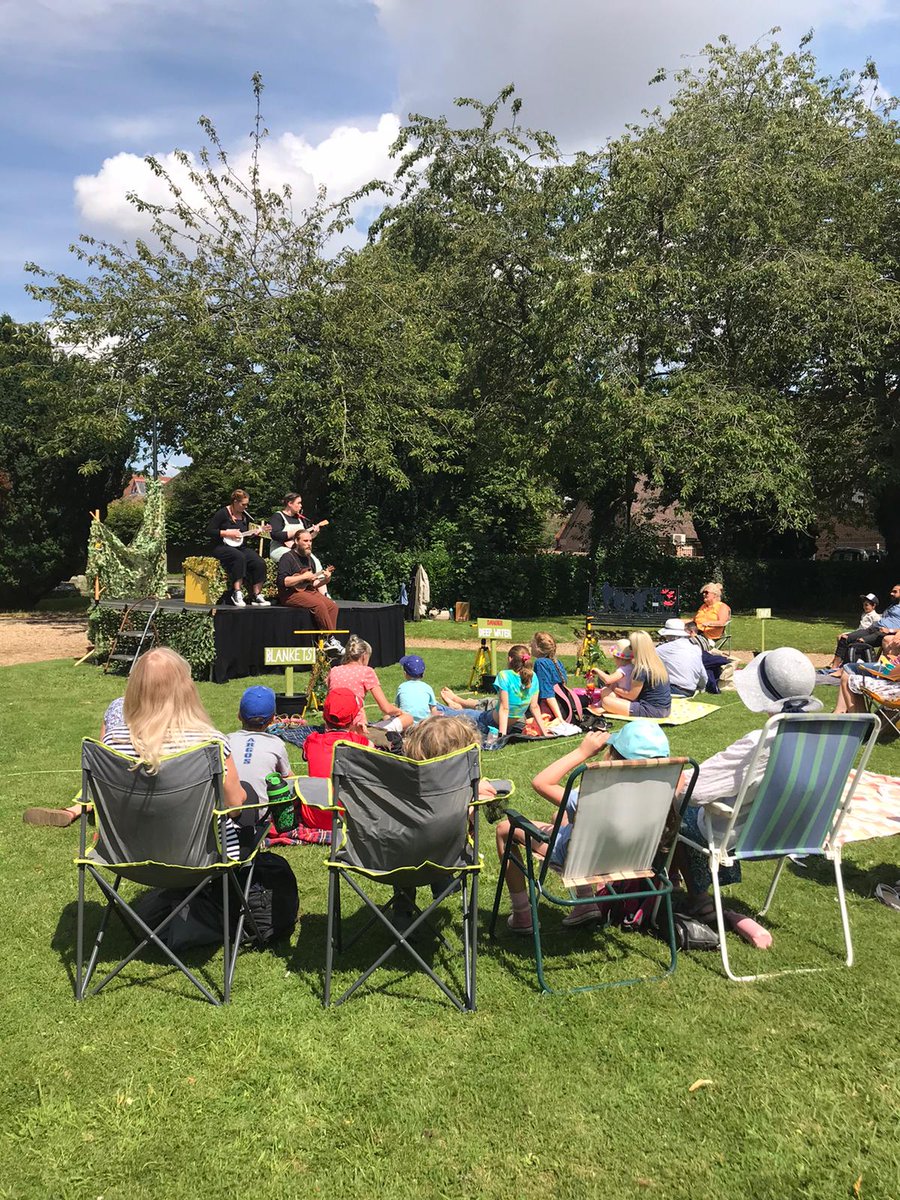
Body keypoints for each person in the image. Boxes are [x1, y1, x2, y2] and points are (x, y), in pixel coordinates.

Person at [673, 646, 823, 949]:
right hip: (795, 836)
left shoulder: (762, 742)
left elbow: (694, 791)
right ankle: (681, 889)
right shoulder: (824, 739)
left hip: (737, 836)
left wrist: (672, 776)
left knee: (670, 803)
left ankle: (692, 897)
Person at [496, 723, 671, 932]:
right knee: (559, 816)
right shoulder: (665, 792)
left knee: (505, 829)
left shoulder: (591, 798)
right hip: (634, 858)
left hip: (584, 860)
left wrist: (583, 752)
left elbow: (541, 782)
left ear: (614, 757)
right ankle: (585, 903)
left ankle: (522, 916)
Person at [437, 643, 547, 740]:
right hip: (508, 722)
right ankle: (458, 705)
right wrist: (544, 733)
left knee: (453, 715)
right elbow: (534, 707)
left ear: (510, 659)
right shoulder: (533, 677)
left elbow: (504, 708)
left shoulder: (504, 675)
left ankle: (436, 705)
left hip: (489, 721)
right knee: (480, 707)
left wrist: (502, 736)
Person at [327, 635, 413, 733]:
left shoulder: (334, 671)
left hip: (333, 727)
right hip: (357, 728)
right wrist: (400, 712)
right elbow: (386, 708)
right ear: (364, 656)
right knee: (408, 718)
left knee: (361, 709)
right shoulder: (366, 671)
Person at [276, 528, 341, 648]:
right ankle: (331, 637)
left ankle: (325, 639)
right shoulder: (287, 557)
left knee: (332, 606)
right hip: (290, 594)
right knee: (319, 605)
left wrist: (326, 579)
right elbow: (282, 581)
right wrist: (303, 577)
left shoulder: (310, 559)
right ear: (296, 541)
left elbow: (313, 583)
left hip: (307, 591)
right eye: (305, 541)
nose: (309, 544)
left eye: (310, 541)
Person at [207, 488, 270, 608]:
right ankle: (237, 592)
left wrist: (254, 533)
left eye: (247, 504)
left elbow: (243, 534)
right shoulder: (222, 513)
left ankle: (256, 595)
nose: (246, 507)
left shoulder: (245, 516)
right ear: (235, 502)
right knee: (239, 557)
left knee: (259, 562)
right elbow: (210, 531)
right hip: (222, 546)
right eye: (243, 504)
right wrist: (226, 533)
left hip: (240, 546)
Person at [591, 630, 671, 719]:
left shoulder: (641, 669)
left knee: (606, 701)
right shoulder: (658, 663)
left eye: (631, 646)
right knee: (608, 697)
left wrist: (614, 688)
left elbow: (631, 696)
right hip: (665, 709)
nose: (629, 649)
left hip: (650, 710)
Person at [825, 593, 882, 671]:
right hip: (858, 632)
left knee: (844, 638)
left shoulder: (876, 617)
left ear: (874, 606)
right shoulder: (864, 614)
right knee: (840, 636)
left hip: (865, 634)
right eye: (863, 605)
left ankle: (836, 664)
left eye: (867, 605)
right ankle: (841, 659)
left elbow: (872, 630)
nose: (864, 607)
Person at [845, 584, 900, 660]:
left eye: (895, 592)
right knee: (845, 638)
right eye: (891, 591)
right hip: (874, 628)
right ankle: (839, 665)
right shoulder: (892, 606)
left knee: (860, 641)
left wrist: (890, 630)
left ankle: (865, 664)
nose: (891, 593)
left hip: (883, 632)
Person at [655, 618, 706, 698]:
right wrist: (701, 687)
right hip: (691, 689)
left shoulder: (662, 649)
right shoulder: (696, 648)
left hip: (673, 688)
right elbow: (702, 674)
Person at [268, 492, 322, 564]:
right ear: (290, 503)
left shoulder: (301, 519)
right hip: (279, 549)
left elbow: (304, 539)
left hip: (298, 550)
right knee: (297, 558)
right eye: (298, 503)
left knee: (316, 562)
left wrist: (314, 533)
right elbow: (275, 534)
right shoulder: (278, 516)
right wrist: (294, 532)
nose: (301, 505)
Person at [530, 631, 569, 722]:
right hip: (563, 708)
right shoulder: (557, 662)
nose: (530, 645)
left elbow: (548, 694)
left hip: (549, 712)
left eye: (532, 643)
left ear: (538, 647)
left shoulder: (540, 663)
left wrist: (560, 719)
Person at [395, 654, 438, 724]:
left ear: (405, 673)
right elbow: (433, 709)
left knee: (387, 716)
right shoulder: (427, 688)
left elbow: (399, 707)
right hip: (424, 725)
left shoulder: (402, 687)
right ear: (423, 674)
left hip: (406, 725)